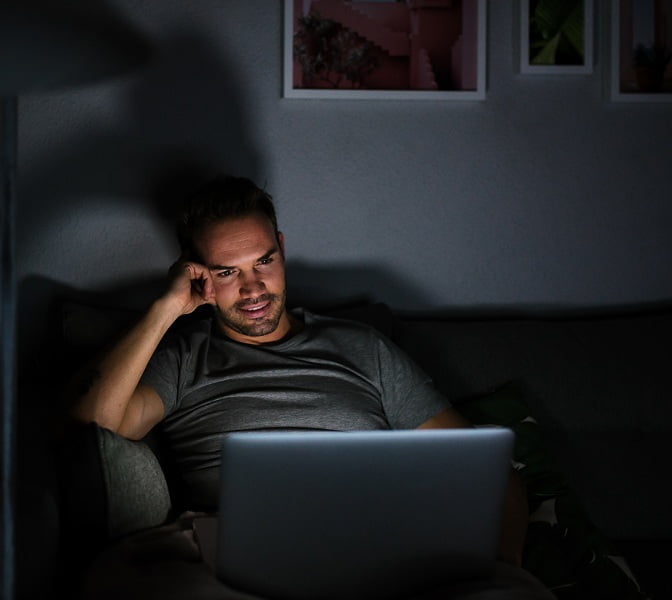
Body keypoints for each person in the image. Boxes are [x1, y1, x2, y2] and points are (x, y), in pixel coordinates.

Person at [68, 175, 554, 599]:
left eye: (264, 261)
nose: (253, 287)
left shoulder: (363, 348)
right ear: (197, 276)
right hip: (233, 552)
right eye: (226, 272)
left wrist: (500, 565)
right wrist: (166, 308)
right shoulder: (182, 357)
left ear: (281, 246)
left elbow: (490, 473)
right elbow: (92, 423)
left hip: (374, 547)